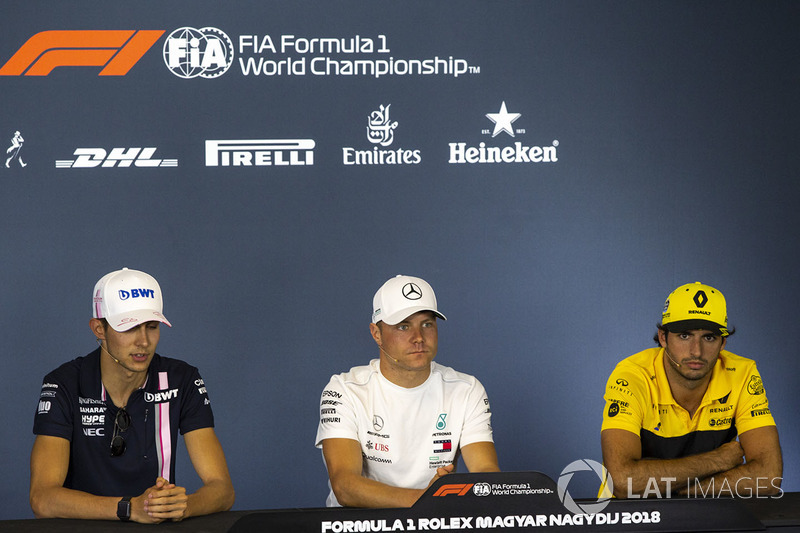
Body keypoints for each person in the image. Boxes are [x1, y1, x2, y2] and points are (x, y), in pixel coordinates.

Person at [30, 268, 235, 522]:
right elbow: (42, 498)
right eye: (129, 328)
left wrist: (182, 506)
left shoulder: (182, 379)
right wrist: (129, 508)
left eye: (151, 327)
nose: (143, 342)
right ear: (98, 329)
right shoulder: (64, 384)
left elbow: (223, 489)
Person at [315, 275, 500, 508]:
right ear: (376, 334)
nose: (418, 338)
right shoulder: (345, 390)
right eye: (403, 326)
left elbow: (486, 476)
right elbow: (345, 487)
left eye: (427, 324)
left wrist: (452, 496)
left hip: (432, 524)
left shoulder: (467, 390)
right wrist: (430, 498)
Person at [600, 282, 782, 498]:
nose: (697, 351)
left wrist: (672, 488)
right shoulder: (631, 376)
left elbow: (768, 478)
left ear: (723, 343)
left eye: (709, 337)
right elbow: (622, 482)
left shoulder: (742, 374)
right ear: (663, 337)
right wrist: (718, 460)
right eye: (684, 336)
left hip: (707, 513)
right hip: (632, 516)